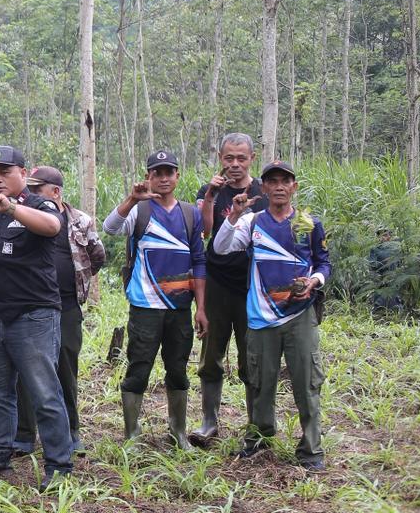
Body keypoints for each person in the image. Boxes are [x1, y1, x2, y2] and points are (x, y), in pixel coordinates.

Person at [0, 147, 72, 490]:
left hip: (34, 316)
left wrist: (11, 207)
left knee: (44, 393)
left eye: (4, 172)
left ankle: (59, 466)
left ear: (23, 173)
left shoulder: (40, 205)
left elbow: (52, 226)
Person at [215, 161, 331, 471]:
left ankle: (311, 449)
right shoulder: (252, 222)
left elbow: (324, 263)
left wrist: (314, 281)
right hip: (261, 317)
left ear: (294, 186)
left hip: (300, 315)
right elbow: (221, 248)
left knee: (307, 383)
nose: (279, 186)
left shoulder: (308, 223)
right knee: (260, 383)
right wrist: (234, 215)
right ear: (263, 187)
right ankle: (259, 439)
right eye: (273, 181)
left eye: (285, 181)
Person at [103, 150, 208, 449]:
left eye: (168, 172)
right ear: (148, 177)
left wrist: (201, 307)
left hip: (179, 307)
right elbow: (110, 228)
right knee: (139, 368)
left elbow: (199, 261)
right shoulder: (140, 210)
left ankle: (178, 432)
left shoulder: (191, 214)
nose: (163, 178)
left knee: (178, 369)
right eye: (156, 173)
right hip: (145, 307)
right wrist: (131, 199)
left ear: (177, 176)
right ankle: (132, 435)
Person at [12, 165, 105, 458]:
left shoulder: (80, 221)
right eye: (29, 189)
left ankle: (71, 431)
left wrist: (77, 280)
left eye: (37, 190)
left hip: (66, 306)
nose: (31, 194)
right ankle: (24, 434)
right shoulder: (23, 216)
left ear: (55, 192)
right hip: (31, 306)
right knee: (26, 370)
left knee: (66, 368)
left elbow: (97, 256)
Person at [191, 132, 267, 446]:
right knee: (211, 354)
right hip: (217, 283)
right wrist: (211, 195)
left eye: (241, 158)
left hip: (253, 286)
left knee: (252, 357)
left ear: (252, 159)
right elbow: (205, 232)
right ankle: (209, 421)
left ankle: (255, 425)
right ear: (220, 158)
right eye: (229, 158)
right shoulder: (210, 191)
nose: (235, 164)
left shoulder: (263, 191)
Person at [368, 227, 404, 314]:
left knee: (395, 297)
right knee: (381, 296)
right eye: (384, 235)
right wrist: (383, 265)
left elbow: (400, 262)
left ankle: (396, 311)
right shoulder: (375, 249)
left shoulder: (395, 248)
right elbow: (372, 264)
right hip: (381, 277)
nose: (387, 237)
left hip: (394, 277)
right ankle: (379, 311)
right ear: (379, 237)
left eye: (388, 235)